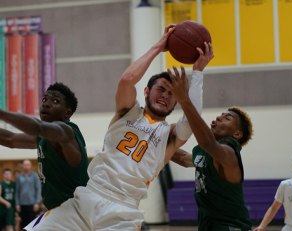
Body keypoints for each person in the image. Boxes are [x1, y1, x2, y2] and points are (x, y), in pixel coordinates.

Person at [23, 24, 214, 230]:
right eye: (161, 89)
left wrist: (198, 72)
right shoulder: (128, 111)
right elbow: (126, 80)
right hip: (87, 197)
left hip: (123, 212)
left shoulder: (171, 136)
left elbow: (193, 118)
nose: (165, 96)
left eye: (171, 94)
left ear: (177, 102)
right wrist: (159, 47)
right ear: (147, 91)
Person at [170, 70, 254, 231]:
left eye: (227, 118)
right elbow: (184, 159)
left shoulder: (229, 153)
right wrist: (153, 141)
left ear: (237, 133)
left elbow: (208, 142)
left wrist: (184, 99)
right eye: (221, 115)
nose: (220, 117)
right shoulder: (206, 153)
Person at [0, 82, 89, 215]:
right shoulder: (44, 138)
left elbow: (38, 126)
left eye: (55, 101)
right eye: (44, 99)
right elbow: (11, 140)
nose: (46, 104)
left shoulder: (67, 131)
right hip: (59, 211)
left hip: (75, 211)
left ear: (67, 113)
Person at [15, 160, 40, 230]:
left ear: (30, 166)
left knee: (32, 224)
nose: (26, 167)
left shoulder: (35, 176)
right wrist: (17, 203)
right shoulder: (19, 177)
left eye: (28, 165)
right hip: (22, 204)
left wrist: (37, 203)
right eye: (25, 165)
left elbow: (38, 190)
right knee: (23, 224)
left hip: (32, 204)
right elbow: (17, 191)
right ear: (23, 166)